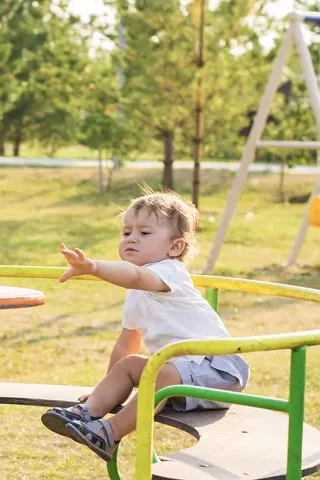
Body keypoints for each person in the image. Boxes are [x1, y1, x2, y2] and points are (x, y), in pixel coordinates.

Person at [42, 191, 249, 461]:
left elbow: (135, 276)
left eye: (145, 233)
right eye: (126, 232)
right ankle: (87, 413)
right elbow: (125, 347)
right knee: (130, 366)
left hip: (217, 372)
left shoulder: (170, 272)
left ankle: (109, 434)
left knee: (162, 371)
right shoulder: (136, 295)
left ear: (175, 248)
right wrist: (105, 391)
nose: (131, 238)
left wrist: (93, 266)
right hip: (178, 373)